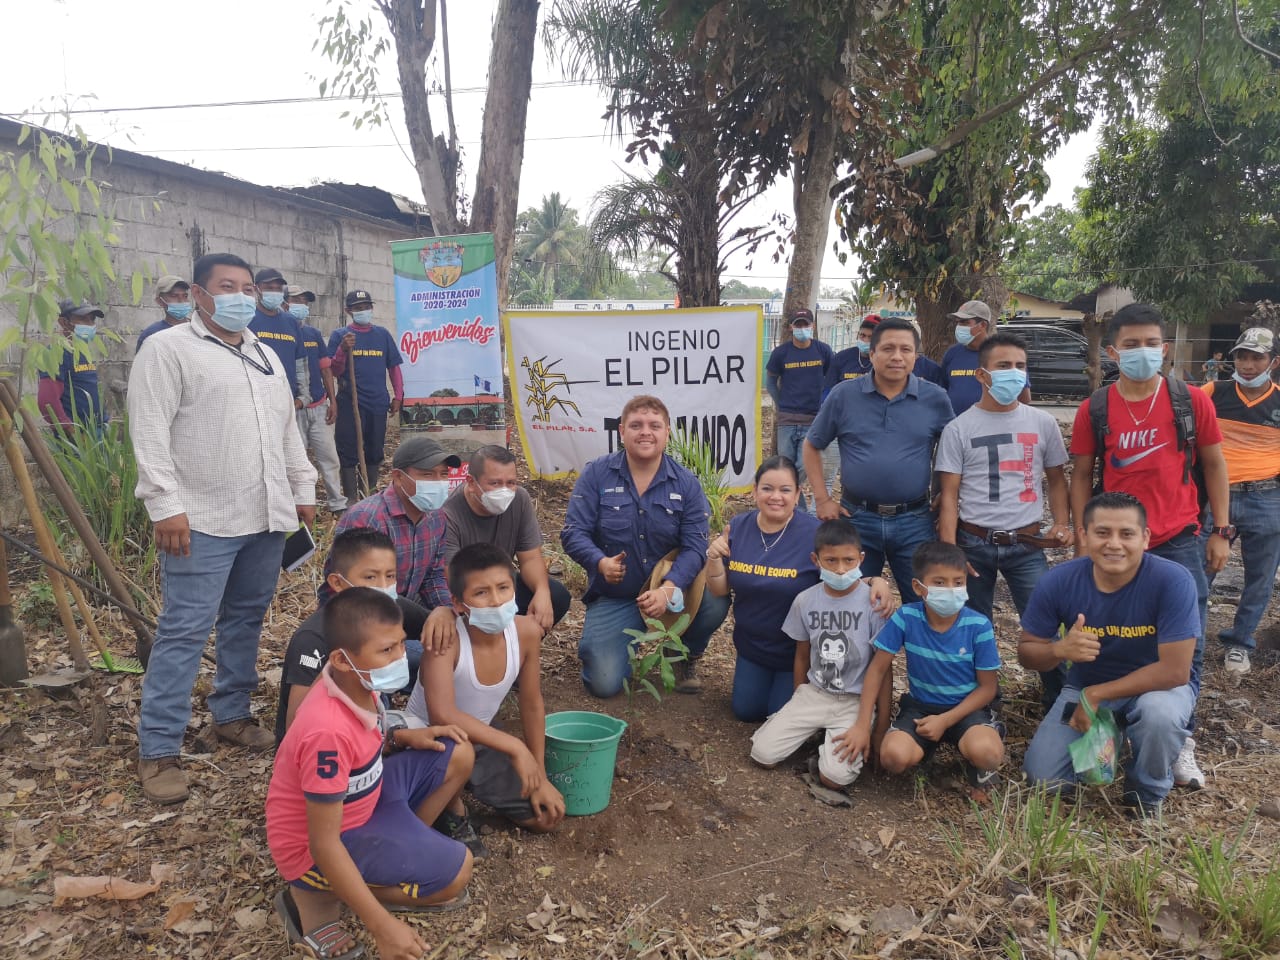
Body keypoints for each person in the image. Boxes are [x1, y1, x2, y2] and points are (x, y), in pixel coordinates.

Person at [128, 252, 317, 804]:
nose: (241, 297)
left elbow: (286, 433)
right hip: (200, 519)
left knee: (246, 619)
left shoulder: (263, 355)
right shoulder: (168, 350)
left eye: (247, 288)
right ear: (199, 293)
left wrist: (301, 488)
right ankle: (158, 747)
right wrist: (164, 505)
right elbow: (149, 431)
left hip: (263, 515)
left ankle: (230, 714)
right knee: (185, 629)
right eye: (227, 286)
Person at [1068, 302, 1229, 790]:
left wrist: (1220, 530)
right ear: (1114, 351)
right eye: (1132, 345)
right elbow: (1080, 475)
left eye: (1152, 343)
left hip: (1177, 540)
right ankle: (1106, 728)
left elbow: (1215, 465)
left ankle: (1180, 737)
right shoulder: (1095, 408)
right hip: (1113, 547)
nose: (1143, 352)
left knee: (1187, 643)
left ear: (1166, 348)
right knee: (1105, 636)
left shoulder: (1189, 401)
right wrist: (1081, 537)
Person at [266, 588, 474, 960]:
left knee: (456, 753)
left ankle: (396, 850)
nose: (399, 658)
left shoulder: (350, 680)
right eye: (386, 651)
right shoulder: (326, 732)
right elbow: (323, 842)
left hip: (367, 797)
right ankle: (314, 895)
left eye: (399, 644)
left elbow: (366, 742)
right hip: (321, 841)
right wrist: (383, 926)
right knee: (456, 875)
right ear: (342, 660)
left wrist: (404, 736)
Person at [1020, 493, 1199, 817]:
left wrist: (1096, 695)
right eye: (1102, 533)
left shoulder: (1172, 580)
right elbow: (1027, 653)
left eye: (1126, 534)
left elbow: (1176, 671)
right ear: (1085, 536)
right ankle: (1111, 734)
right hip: (1087, 685)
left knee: (1158, 716)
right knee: (1044, 779)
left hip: (1157, 689)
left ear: (1145, 538)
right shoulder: (1059, 581)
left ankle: (1147, 794)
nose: (1114, 544)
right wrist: (1059, 650)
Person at [561, 394, 730, 698]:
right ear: (622, 430)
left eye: (655, 425)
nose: (645, 432)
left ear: (667, 432)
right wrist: (599, 562)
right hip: (617, 596)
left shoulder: (686, 483)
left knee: (715, 600)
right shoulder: (596, 474)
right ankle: (623, 647)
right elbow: (573, 533)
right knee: (604, 683)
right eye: (636, 425)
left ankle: (682, 654)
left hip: (672, 591)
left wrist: (669, 587)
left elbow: (694, 546)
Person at [936, 331, 1072, 708]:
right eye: (1004, 366)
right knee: (974, 630)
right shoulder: (959, 428)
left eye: (1020, 366)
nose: (1014, 373)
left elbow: (1057, 479)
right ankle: (982, 706)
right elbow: (949, 495)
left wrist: (1061, 523)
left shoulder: (1042, 423)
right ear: (982, 375)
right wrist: (950, 553)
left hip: (1027, 544)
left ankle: (1060, 700)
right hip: (974, 545)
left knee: (1045, 626)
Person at [407, 543, 565, 849]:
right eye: (481, 593)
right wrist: (516, 747)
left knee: (545, 817)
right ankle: (452, 810)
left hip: (480, 738)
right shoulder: (447, 639)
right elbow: (442, 715)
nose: (495, 601)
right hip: (431, 742)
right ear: (458, 602)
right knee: (457, 753)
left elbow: (531, 703)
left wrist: (540, 775)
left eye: (504, 588)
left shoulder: (527, 633)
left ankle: (461, 786)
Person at [804, 317, 955, 600]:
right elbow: (812, 445)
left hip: (915, 520)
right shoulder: (843, 396)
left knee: (924, 602)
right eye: (887, 348)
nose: (897, 356)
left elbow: (952, 452)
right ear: (871, 354)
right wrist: (822, 499)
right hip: (858, 518)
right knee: (852, 602)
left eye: (905, 349)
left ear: (916, 356)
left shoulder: (935, 399)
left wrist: (946, 495)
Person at [851, 541, 1005, 800]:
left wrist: (945, 720)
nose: (951, 590)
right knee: (893, 758)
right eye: (940, 582)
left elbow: (988, 687)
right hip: (920, 707)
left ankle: (981, 751)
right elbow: (877, 670)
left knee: (987, 753)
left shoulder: (978, 625)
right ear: (918, 587)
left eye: (958, 582)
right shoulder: (906, 618)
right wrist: (868, 726)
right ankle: (925, 747)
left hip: (967, 707)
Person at [748, 521, 890, 796]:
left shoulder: (874, 604)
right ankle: (815, 733)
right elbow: (802, 655)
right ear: (816, 560)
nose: (840, 569)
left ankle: (829, 747)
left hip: (855, 701)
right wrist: (799, 695)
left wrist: (876, 727)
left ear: (861, 559)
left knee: (835, 778)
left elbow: (883, 669)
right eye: (831, 560)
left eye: (848, 561)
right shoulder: (805, 600)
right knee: (762, 755)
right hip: (815, 693)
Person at [277, 528, 435, 743]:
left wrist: (443, 615)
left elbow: (434, 624)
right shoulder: (314, 638)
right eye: (370, 577)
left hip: (373, 724)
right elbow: (297, 726)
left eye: (390, 576)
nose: (383, 587)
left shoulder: (391, 608)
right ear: (338, 583)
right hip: (332, 747)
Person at [323, 436, 463, 651]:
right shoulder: (367, 518)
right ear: (398, 477)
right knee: (439, 654)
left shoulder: (436, 517)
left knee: (460, 641)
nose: (437, 482)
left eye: (443, 475)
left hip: (402, 615)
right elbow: (346, 590)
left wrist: (445, 610)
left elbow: (433, 574)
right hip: (359, 621)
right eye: (427, 475)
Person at [1200, 327, 1280, 676]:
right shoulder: (1211, 393)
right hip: (1217, 497)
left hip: (1268, 499)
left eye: (1256, 358)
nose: (1247, 365)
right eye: (1242, 356)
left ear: (1273, 362)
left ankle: (1240, 643)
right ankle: (1190, 640)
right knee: (1200, 573)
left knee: (1260, 578)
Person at [441, 444, 571, 633]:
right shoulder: (448, 514)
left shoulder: (519, 499)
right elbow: (453, 577)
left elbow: (531, 558)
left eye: (510, 483)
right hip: (466, 593)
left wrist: (542, 592)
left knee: (555, 595)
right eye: (494, 483)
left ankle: (515, 652)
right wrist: (493, 604)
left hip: (502, 584)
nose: (504, 490)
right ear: (470, 482)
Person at [328, 290, 404, 501]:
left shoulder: (382, 335)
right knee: (347, 449)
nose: (363, 311)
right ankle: (352, 498)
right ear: (348, 311)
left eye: (366, 307)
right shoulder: (340, 336)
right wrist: (343, 349)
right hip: (349, 402)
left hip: (377, 403)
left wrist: (398, 395)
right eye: (358, 308)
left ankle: (367, 494)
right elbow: (333, 370)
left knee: (374, 450)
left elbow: (394, 367)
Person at [766, 307, 834, 511]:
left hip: (813, 420)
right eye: (798, 325)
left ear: (812, 326)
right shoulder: (781, 353)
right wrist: (781, 403)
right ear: (791, 327)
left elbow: (831, 381)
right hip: (787, 420)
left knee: (802, 467)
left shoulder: (823, 351)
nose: (802, 328)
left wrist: (823, 404)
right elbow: (770, 381)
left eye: (806, 324)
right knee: (786, 467)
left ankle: (796, 509)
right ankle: (800, 511)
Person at [289, 285, 347, 517]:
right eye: (296, 300)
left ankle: (337, 503)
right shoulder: (282, 333)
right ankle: (299, 504)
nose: (301, 305)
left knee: (329, 457)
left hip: (319, 405)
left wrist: (332, 401)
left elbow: (326, 370)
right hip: (294, 409)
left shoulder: (313, 335)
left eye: (304, 301)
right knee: (296, 459)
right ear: (285, 303)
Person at [941, 300, 1031, 415]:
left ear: (982, 325)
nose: (959, 327)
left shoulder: (1003, 354)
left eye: (964, 322)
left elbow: (1024, 398)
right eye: (958, 323)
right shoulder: (952, 353)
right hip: (957, 426)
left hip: (994, 425)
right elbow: (944, 388)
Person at [38, 298, 108, 437]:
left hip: (96, 431)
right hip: (77, 437)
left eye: (92, 319)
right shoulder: (56, 353)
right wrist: (71, 431)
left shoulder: (83, 351)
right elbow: (47, 401)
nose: (90, 324)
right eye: (82, 319)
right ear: (64, 322)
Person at [249, 267, 309, 412]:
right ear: (256, 289)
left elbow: (300, 362)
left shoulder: (291, 322)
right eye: (269, 288)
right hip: (257, 401)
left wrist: (303, 397)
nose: (274, 292)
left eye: (278, 289)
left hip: (288, 400)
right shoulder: (248, 319)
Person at [136, 276, 192, 353]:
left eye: (185, 296)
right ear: (160, 301)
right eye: (174, 296)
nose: (181, 301)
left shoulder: (199, 329)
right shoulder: (151, 335)